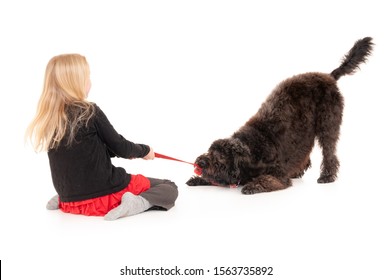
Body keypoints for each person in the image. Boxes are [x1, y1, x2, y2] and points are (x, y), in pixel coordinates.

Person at [26, 54, 178, 220]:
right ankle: (135, 204)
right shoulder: (89, 112)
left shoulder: (51, 120)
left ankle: (63, 200)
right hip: (105, 196)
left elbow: (87, 152)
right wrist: (145, 150)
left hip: (71, 200)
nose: (90, 81)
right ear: (75, 82)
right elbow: (121, 147)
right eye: (87, 76)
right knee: (168, 186)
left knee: (77, 189)